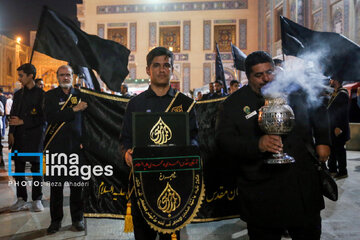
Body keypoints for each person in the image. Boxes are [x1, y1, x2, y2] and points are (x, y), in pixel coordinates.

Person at [216, 51, 331, 240]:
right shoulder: (233, 105)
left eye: (270, 72)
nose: (266, 78)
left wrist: (323, 141)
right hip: (261, 190)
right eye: (259, 75)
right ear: (248, 76)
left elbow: (319, 108)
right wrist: (257, 145)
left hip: (301, 186)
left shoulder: (295, 92)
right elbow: (224, 142)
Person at [119, 47, 197, 240]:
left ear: (172, 69)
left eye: (166, 65)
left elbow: (195, 138)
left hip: (174, 186)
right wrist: (126, 154)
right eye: (157, 65)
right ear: (148, 70)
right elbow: (125, 139)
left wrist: (187, 149)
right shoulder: (135, 104)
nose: (162, 70)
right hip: (143, 186)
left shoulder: (185, 104)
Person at [44, 65, 88, 234]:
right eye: (62, 75)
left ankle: (77, 219)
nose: (65, 78)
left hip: (77, 148)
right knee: (56, 188)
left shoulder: (81, 95)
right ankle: (55, 222)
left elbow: (86, 122)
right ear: (57, 77)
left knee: (77, 187)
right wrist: (74, 109)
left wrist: (86, 141)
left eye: (68, 75)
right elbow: (51, 117)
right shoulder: (49, 96)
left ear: (73, 76)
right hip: (56, 149)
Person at [8, 63, 45, 212]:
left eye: (21, 75)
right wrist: (11, 132)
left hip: (35, 138)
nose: (19, 79)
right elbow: (13, 115)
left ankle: (37, 199)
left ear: (31, 76)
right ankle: (21, 198)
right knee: (19, 171)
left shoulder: (42, 95)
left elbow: (44, 118)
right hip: (19, 138)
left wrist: (24, 121)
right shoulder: (18, 94)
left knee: (36, 171)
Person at [327, 77, 350, 179]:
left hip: (338, 127)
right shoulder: (335, 93)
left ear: (336, 81)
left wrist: (339, 127)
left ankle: (342, 171)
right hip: (331, 125)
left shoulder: (342, 94)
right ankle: (332, 169)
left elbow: (343, 112)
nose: (330, 81)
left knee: (339, 149)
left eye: (332, 79)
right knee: (332, 148)